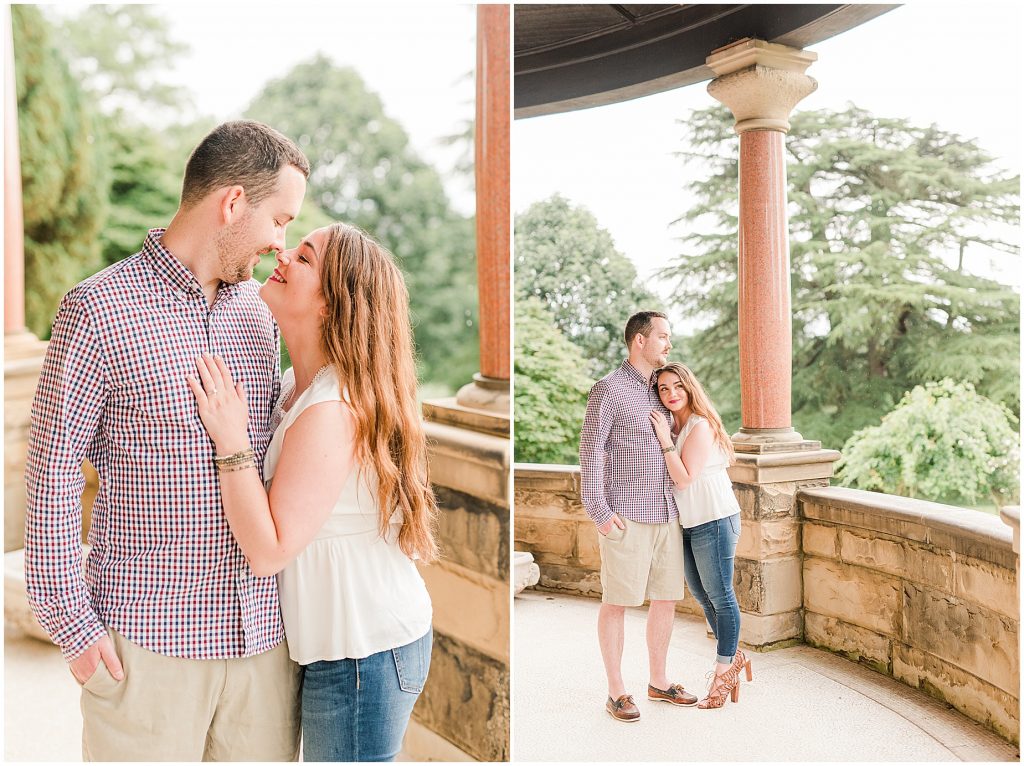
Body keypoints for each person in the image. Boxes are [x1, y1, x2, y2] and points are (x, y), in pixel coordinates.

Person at [24, 120, 310, 761]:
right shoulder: (96, 310)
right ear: (233, 203)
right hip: (146, 650)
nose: (279, 244)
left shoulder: (257, 317)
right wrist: (73, 630)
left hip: (263, 647)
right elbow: (53, 479)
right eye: (279, 220)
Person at [185, 222, 436, 762]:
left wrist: (230, 441)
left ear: (330, 305)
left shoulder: (330, 410)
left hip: (364, 656)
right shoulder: (290, 388)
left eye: (303, 258)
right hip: (342, 649)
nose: (281, 252)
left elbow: (269, 549)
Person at [579, 310, 698, 723]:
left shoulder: (662, 391)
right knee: (617, 602)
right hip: (625, 516)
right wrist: (600, 512)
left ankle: (659, 682)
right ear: (639, 341)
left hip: (667, 513)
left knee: (665, 600)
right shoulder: (607, 390)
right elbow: (591, 452)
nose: (669, 344)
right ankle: (616, 691)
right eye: (663, 336)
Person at [649, 362, 752, 709]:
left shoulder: (699, 426)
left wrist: (664, 442)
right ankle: (735, 656)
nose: (671, 394)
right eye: (663, 389)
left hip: (716, 519)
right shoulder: (675, 425)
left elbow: (684, 478)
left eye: (677, 386)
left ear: (689, 387)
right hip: (689, 523)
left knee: (721, 597)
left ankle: (723, 674)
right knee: (703, 597)